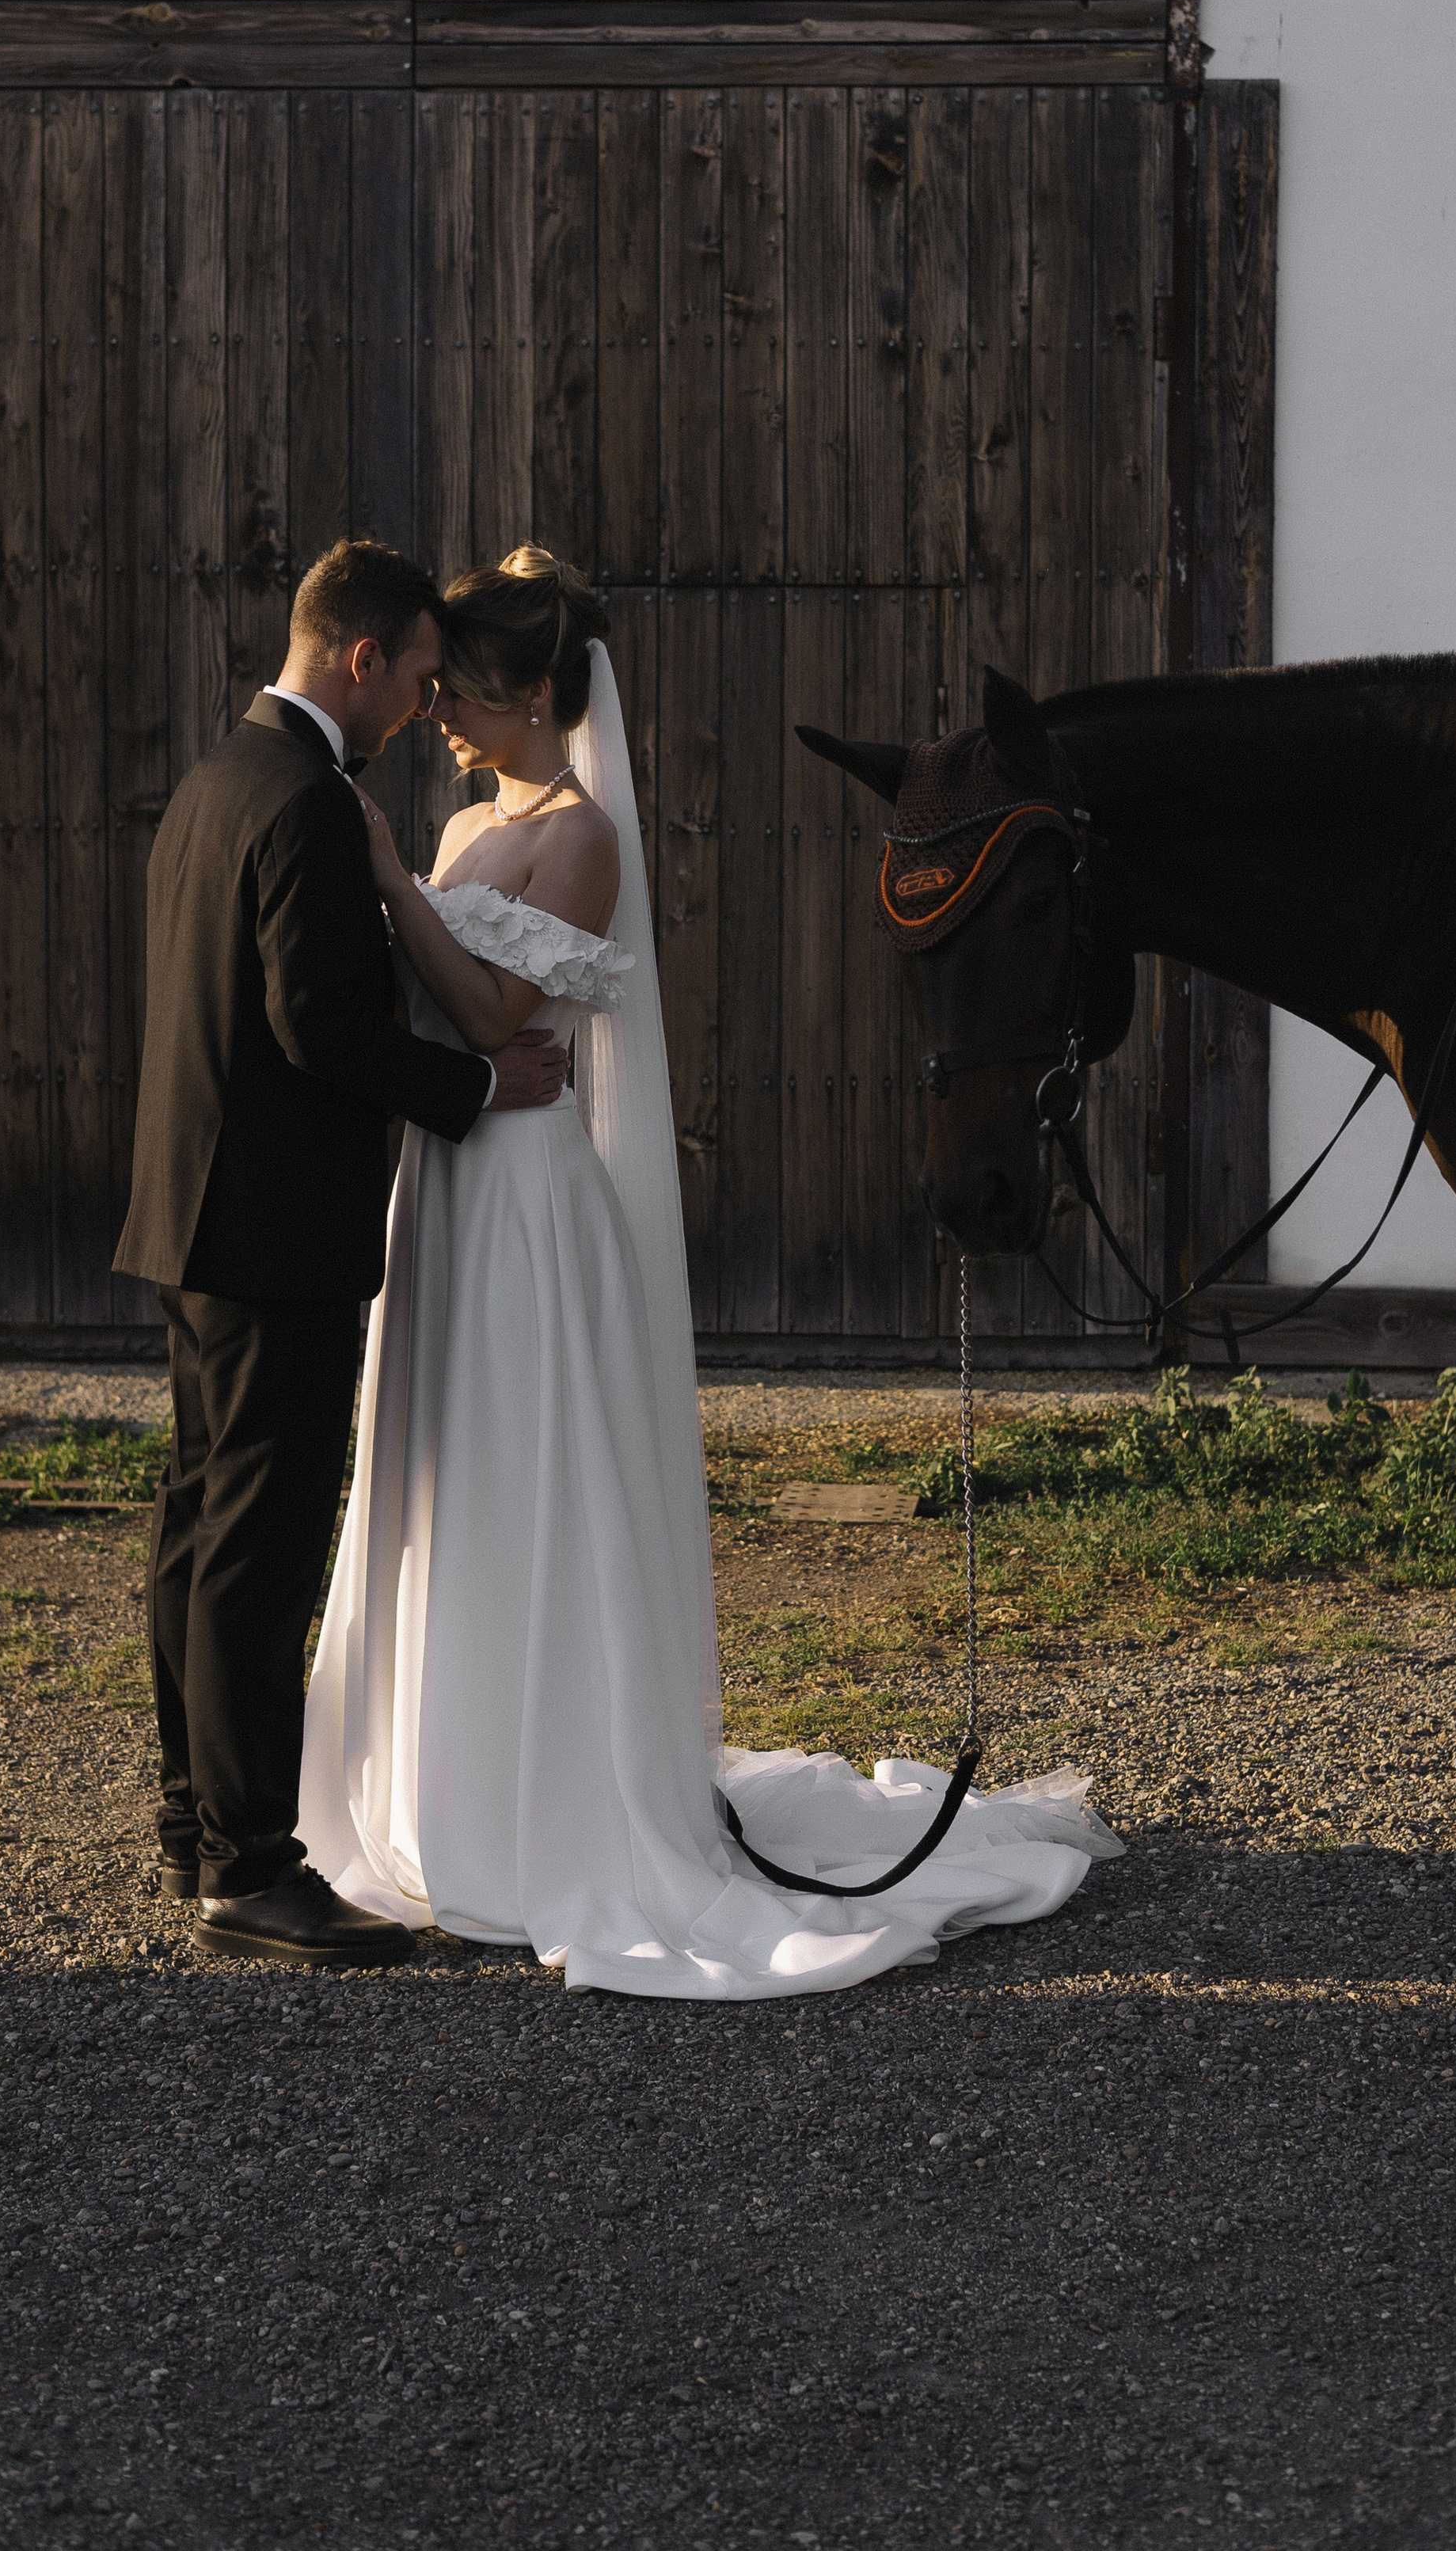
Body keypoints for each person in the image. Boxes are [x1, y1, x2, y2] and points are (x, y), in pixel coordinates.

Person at [298, 545, 1121, 2001]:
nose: (443, 717)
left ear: (541, 690)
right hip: (451, 1177)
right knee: (447, 1465)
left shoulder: (582, 833)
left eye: (469, 695)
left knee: (530, 1466)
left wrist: (381, 880)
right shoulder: (467, 822)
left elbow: (497, 1010)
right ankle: (441, 1772)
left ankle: (546, 1787)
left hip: (531, 1188)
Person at [112, 539, 566, 1969]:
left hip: (192, 1211)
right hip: (277, 1228)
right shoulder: (308, 801)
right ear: (362, 660)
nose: (425, 702)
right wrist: (483, 1092)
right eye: (420, 674)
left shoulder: (213, 782)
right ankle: (252, 1865)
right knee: (258, 1543)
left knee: (199, 1528)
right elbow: (322, 1026)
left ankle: (196, 1824)